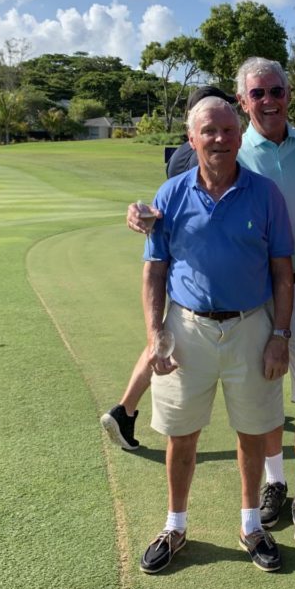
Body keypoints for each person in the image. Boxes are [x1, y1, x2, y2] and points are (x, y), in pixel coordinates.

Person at [122, 57, 295, 549]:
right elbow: (170, 201)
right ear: (243, 103)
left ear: (289, 95)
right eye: (257, 94)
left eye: (276, 92)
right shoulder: (230, 141)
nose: (268, 101)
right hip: (239, 294)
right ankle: (274, 483)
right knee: (258, 403)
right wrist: (139, 213)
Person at [138, 97, 294, 574]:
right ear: (192, 139)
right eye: (209, 131)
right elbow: (153, 272)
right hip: (188, 330)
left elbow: (283, 273)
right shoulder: (171, 194)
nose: (220, 139)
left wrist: (280, 335)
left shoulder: (266, 194)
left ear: (238, 134)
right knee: (182, 435)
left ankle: (250, 525)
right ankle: (176, 525)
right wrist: (155, 335)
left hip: (251, 326)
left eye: (228, 130)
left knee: (252, 433)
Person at [102, 85, 237, 453]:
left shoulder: (177, 154)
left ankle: (124, 407)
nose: (219, 137)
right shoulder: (198, 159)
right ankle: (126, 408)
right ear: (195, 130)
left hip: (180, 263)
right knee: (165, 344)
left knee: (161, 340)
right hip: (193, 272)